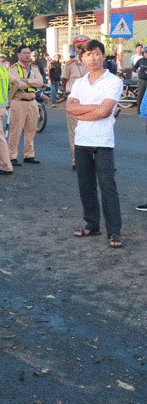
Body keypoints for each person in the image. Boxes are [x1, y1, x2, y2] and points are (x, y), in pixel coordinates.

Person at [66, 39, 124, 248]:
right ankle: (92, 223)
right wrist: (94, 110)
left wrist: (84, 111)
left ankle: (115, 232)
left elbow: (105, 110)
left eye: (96, 53)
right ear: (82, 58)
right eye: (88, 54)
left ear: (103, 55)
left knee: (108, 186)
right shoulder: (80, 83)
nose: (92, 58)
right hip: (82, 140)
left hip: (103, 141)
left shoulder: (113, 81)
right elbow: (69, 108)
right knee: (86, 186)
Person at [7, 45, 44, 167]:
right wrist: (28, 83)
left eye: (29, 53)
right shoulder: (14, 68)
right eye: (24, 53)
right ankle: (12, 156)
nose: (27, 55)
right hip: (18, 100)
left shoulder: (34, 68)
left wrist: (27, 81)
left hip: (32, 101)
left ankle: (29, 155)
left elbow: (40, 82)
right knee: (16, 130)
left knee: (31, 129)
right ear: (19, 55)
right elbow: (17, 84)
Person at [62, 38, 90, 169]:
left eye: (84, 47)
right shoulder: (70, 64)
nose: (81, 50)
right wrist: (66, 91)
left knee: (91, 129)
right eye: (79, 47)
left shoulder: (93, 63)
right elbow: (64, 79)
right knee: (74, 131)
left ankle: (91, 159)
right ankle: (76, 160)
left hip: (90, 101)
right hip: (74, 101)